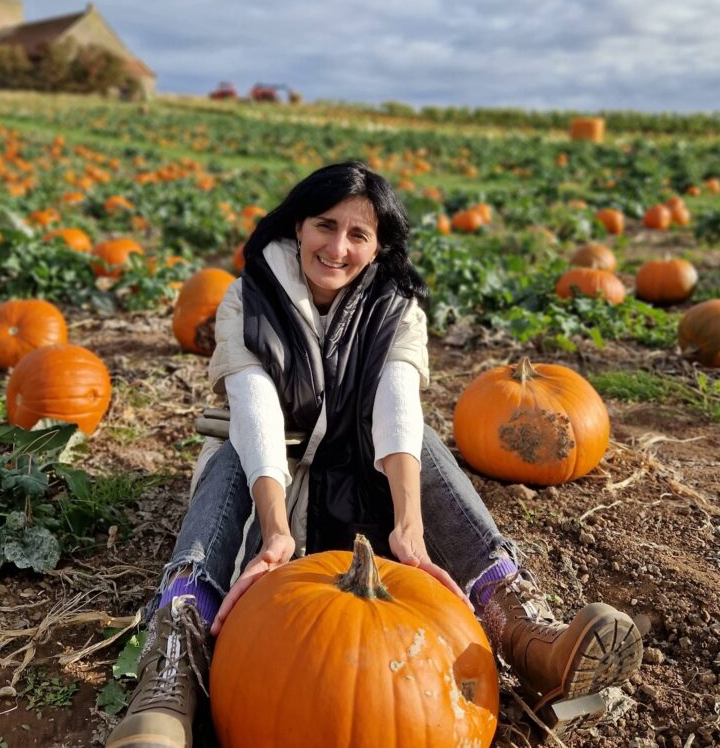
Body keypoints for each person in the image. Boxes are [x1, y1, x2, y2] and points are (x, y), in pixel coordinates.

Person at [107, 162, 643, 748]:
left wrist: (410, 528)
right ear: (297, 226)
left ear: (379, 245)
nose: (337, 247)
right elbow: (256, 408)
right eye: (324, 225)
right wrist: (276, 530)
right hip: (272, 470)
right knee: (230, 451)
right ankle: (172, 666)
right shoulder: (247, 297)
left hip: (363, 475)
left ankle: (517, 627)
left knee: (422, 439)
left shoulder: (399, 304)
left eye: (358, 235)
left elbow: (396, 407)